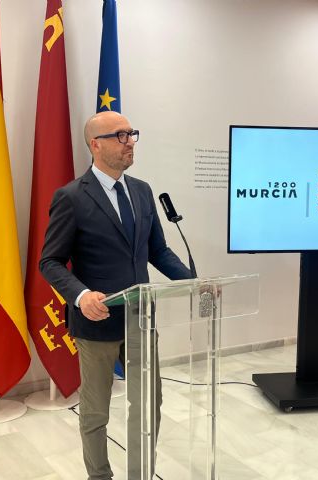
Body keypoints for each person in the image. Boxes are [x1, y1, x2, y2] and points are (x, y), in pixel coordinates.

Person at [39, 111, 193, 480]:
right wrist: (81, 296)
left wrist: (193, 282)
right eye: (120, 136)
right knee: (96, 412)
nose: (130, 142)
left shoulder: (142, 190)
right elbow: (50, 261)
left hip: (141, 319)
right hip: (97, 322)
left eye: (131, 134)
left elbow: (158, 251)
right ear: (96, 144)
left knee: (148, 403)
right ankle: (100, 476)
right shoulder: (71, 197)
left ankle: (141, 472)